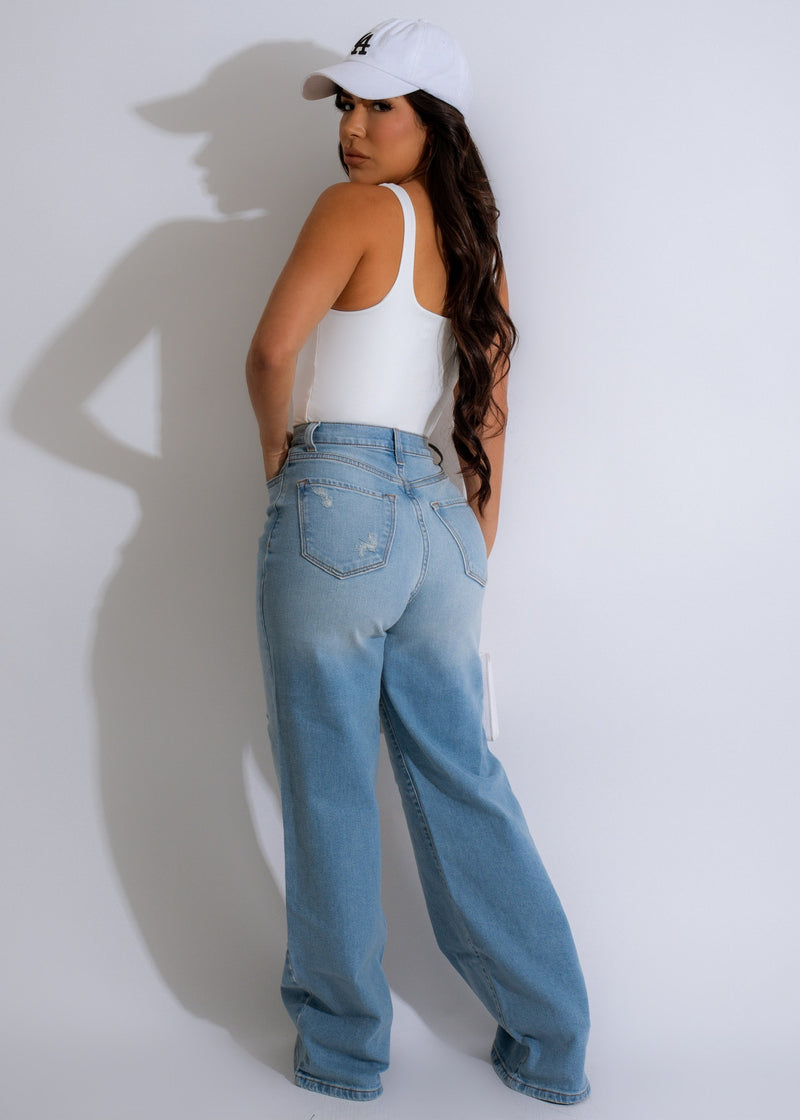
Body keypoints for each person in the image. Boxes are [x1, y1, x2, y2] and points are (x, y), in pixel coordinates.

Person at [246, 18, 590, 1105]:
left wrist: (281, 463)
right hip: (440, 521)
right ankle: (552, 1043)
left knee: (330, 787)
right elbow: (484, 423)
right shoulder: (470, 244)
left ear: (430, 118)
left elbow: (268, 351)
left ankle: (344, 1054)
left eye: (376, 106)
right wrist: (463, 551)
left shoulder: (353, 210)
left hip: (334, 497)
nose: (351, 130)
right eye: (344, 106)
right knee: (463, 784)